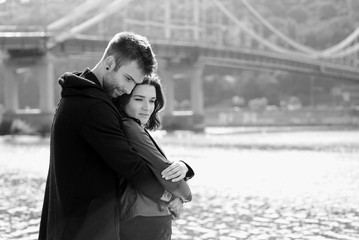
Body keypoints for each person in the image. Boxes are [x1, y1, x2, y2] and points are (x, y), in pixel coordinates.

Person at [39, 32, 181, 240]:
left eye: (135, 83)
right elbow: (132, 166)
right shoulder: (93, 107)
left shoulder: (79, 96)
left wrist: (183, 167)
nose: (128, 89)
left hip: (74, 224)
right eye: (128, 78)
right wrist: (169, 197)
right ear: (109, 63)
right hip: (82, 229)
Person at [113, 75, 194, 240]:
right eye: (138, 99)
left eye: (151, 101)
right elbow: (164, 171)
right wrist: (185, 196)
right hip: (146, 218)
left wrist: (184, 167)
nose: (146, 108)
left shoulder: (130, 127)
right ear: (123, 100)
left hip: (138, 216)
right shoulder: (130, 127)